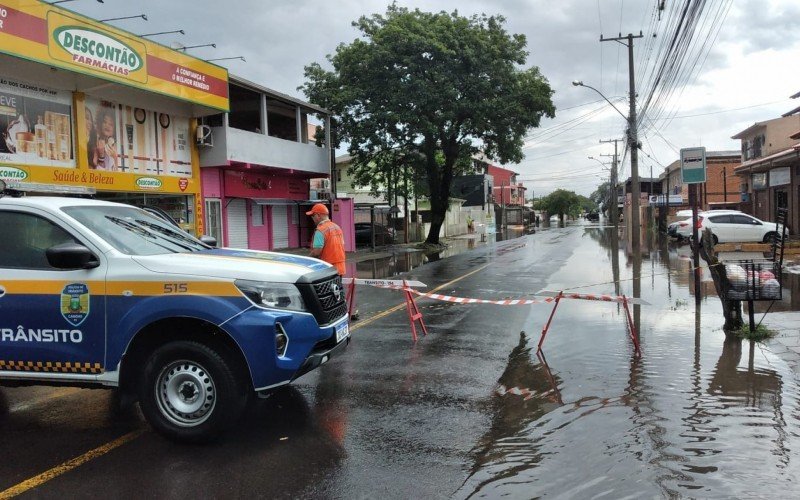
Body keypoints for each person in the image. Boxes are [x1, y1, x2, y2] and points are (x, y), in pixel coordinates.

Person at [307, 203, 346, 276]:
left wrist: (307, 260)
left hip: (328, 269)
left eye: (313, 215)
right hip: (340, 268)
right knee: (337, 287)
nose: (312, 218)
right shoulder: (337, 227)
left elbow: (316, 252)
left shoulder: (320, 230)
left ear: (318, 215)